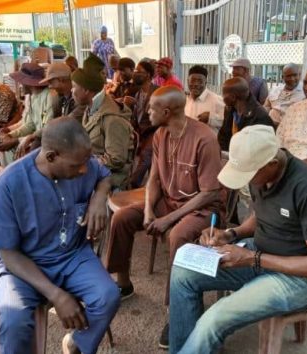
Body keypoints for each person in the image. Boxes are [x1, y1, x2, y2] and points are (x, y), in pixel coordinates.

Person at [169, 124, 307, 353]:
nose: (248, 181)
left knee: (216, 318)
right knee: (182, 273)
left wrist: (253, 258)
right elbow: (258, 216)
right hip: (259, 254)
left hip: (301, 279)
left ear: (272, 163)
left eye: (250, 175)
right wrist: (230, 234)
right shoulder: (260, 173)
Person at [0, 117, 121, 354]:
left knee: (108, 296)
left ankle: (77, 344)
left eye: (85, 163)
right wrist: (57, 296)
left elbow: (104, 174)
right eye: (76, 166)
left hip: (73, 255)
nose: (83, 170)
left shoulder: (82, 163)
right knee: (15, 320)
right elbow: (8, 254)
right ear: (51, 156)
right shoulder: (10, 182)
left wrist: (100, 198)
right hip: (24, 265)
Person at [108, 86, 224, 347]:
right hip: (168, 202)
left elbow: (209, 193)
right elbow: (154, 179)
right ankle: (123, 283)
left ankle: (177, 312)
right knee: (122, 218)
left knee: (179, 235)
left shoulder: (204, 138)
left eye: (151, 108)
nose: (147, 112)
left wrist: (168, 220)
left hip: (202, 208)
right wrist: (149, 210)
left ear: (167, 111)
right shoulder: (161, 134)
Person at [73, 53, 134, 190]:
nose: (72, 91)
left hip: (109, 182)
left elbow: (116, 159)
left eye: (74, 86)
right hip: (94, 174)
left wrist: (82, 163)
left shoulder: (112, 118)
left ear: (86, 90)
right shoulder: (91, 108)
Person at [0, 62, 55, 164]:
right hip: (34, 136)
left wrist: (18, 140)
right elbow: (30, 124)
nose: (20, 85)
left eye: (22, 82)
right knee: (1, 142)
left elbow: (46, 128)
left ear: (29, 83)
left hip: (45, 139)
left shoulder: (49, 96)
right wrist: (10, 135)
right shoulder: (32, 96)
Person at [218, 77, 272, 152]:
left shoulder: (260, 116)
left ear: (233, 97)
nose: (222, 97)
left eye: (223, 94)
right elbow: (223, 136)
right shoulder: (230, 109)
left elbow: (259, 148)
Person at [128, 60, 159, 188]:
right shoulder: (137, 93)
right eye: (135, 71)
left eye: (138, 72)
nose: (135, 74)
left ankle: (132, 185)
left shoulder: (157, 92)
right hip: (140, 135)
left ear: (148, 75)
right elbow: (137, 118)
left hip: (154, 133)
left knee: (144, 161)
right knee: (150, 167)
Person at [184, 65, 225, 134]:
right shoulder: (185, 101)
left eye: (200, 81)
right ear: (188, 81)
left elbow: (227, 122)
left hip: (209, 143)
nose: (196, 84)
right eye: (193, 80)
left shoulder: (217, 100)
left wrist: (210, 118)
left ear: (205, 82)